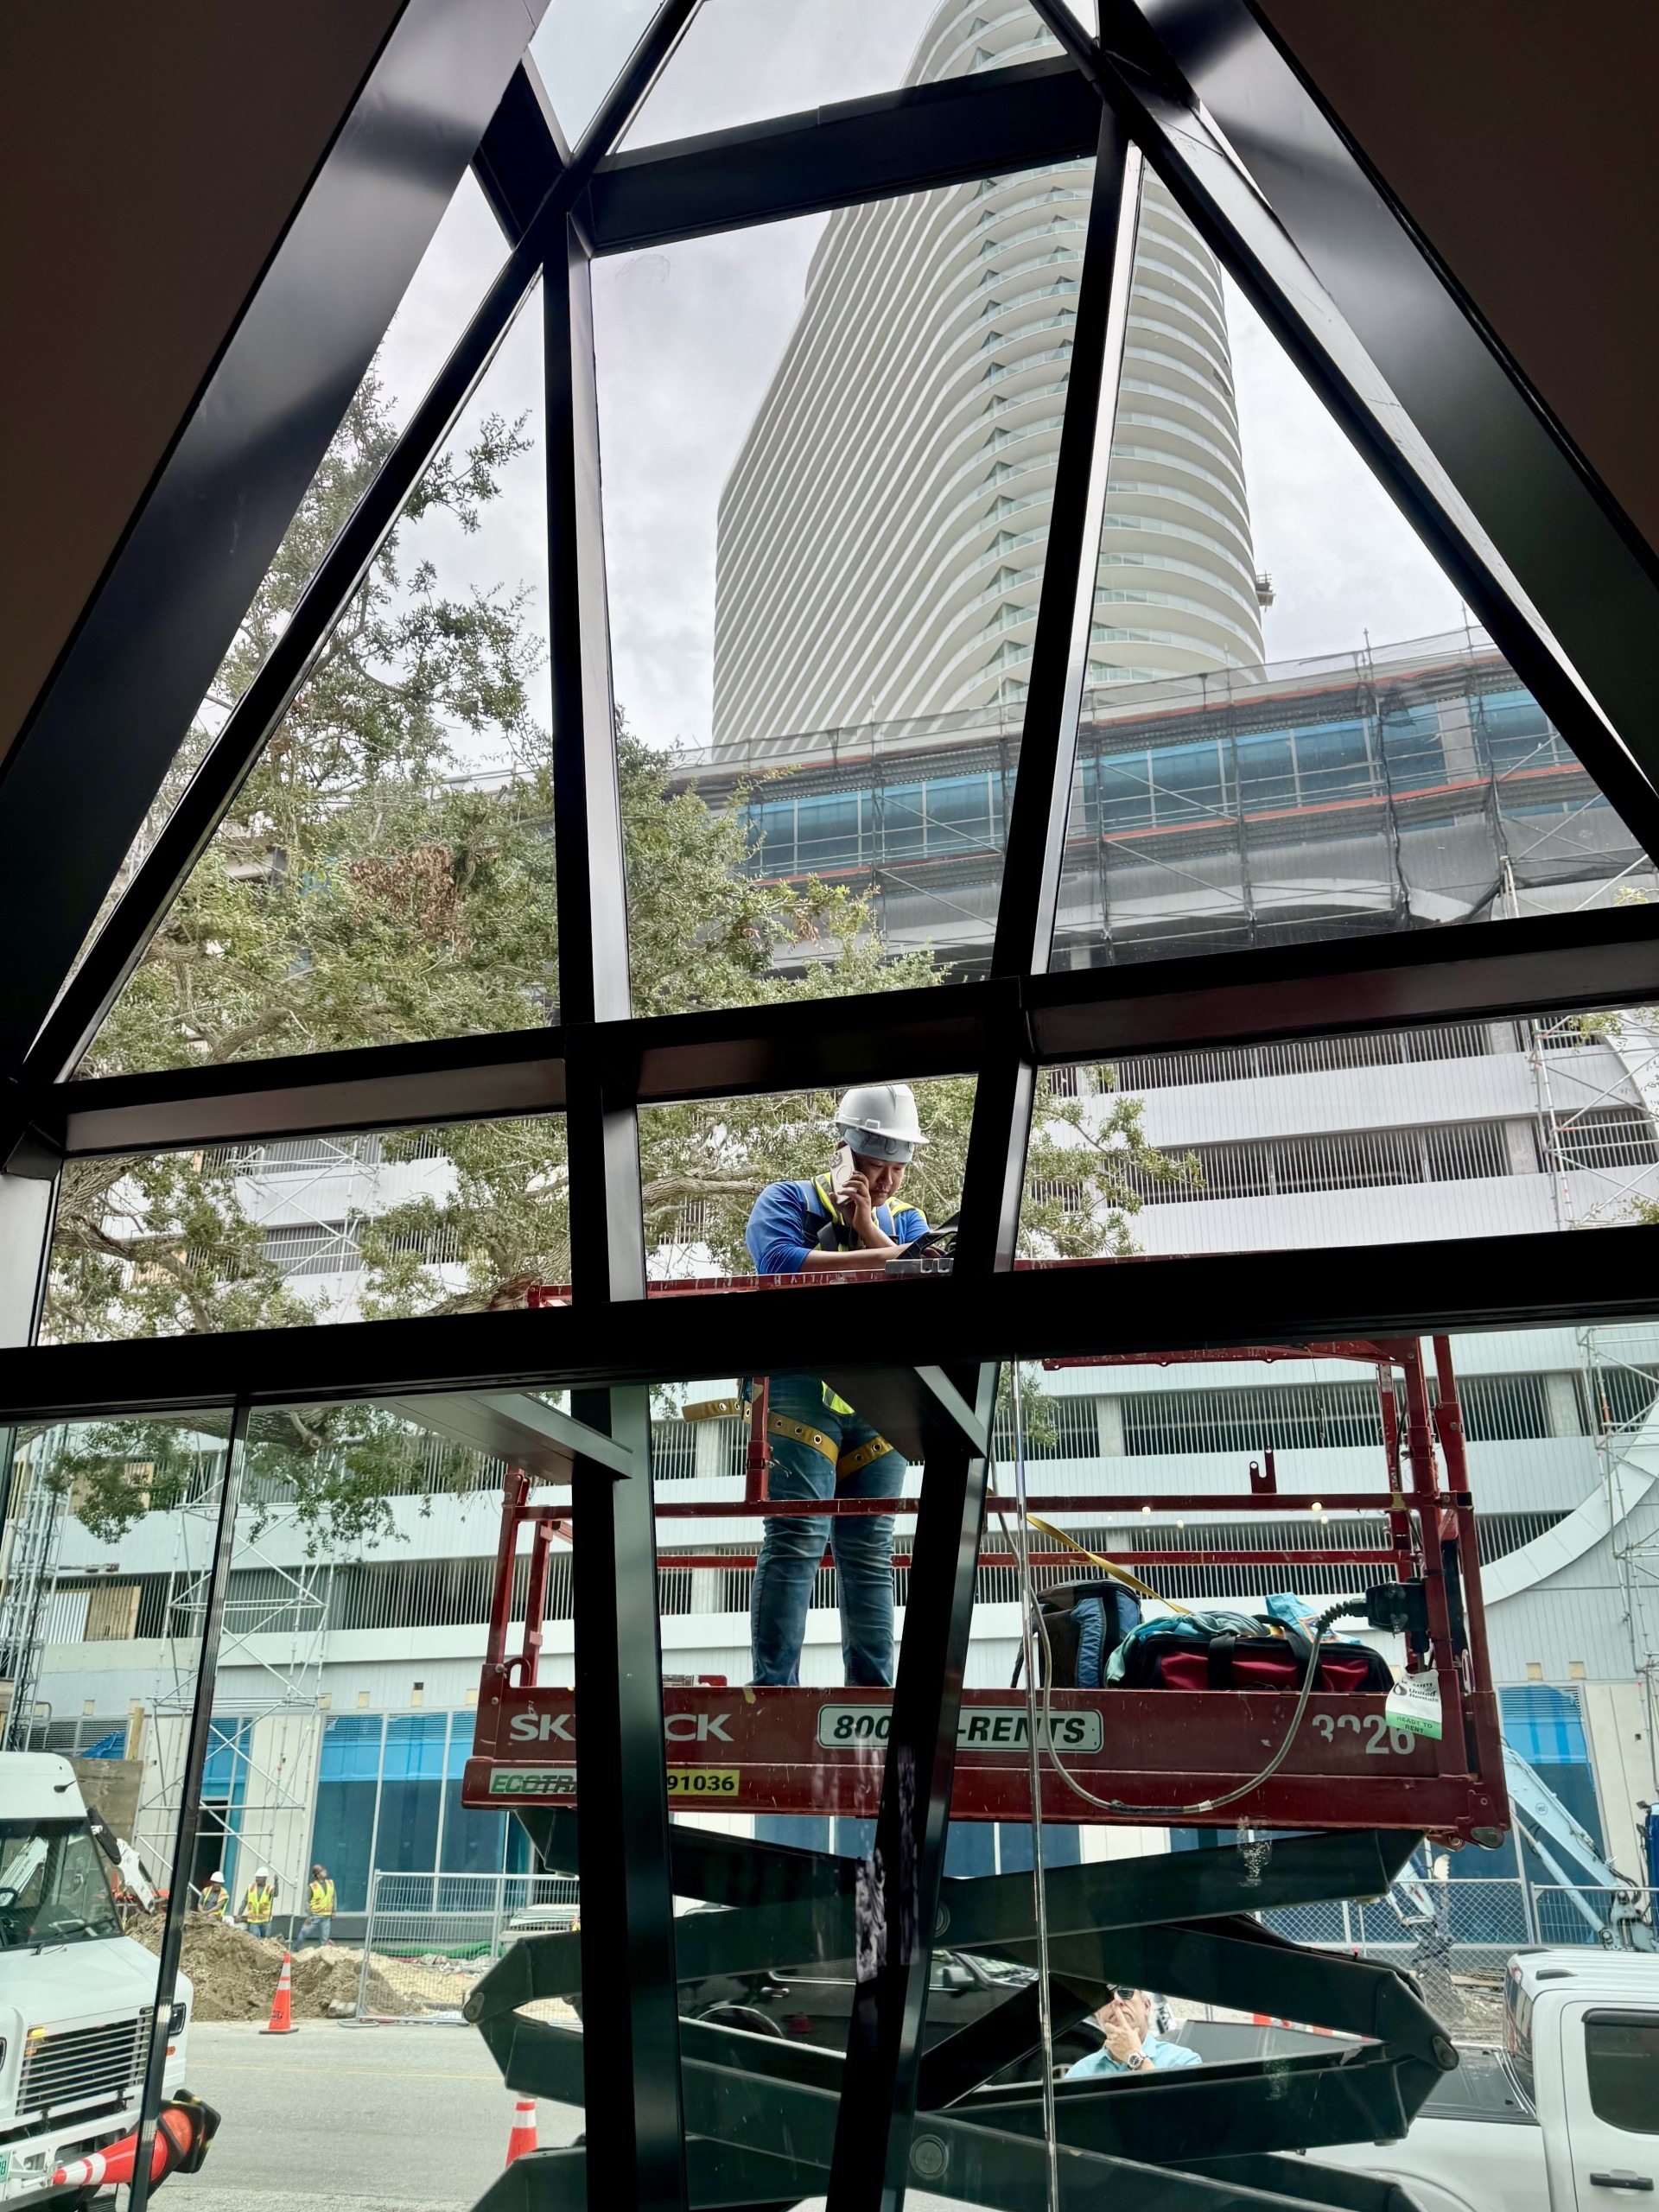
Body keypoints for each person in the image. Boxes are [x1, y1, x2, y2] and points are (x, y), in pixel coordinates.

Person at [745, 1084, 933, 1688]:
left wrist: (869, 1228)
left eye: (896, 1170)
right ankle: (775, 1689)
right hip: (802, 1384)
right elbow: (778, 1264)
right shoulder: (787, 1202)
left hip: (880, 1399)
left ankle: (875, 1694)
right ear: (845, 1153)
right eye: (873, 1167)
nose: (884, 1183)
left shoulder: (905, 1222)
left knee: (869, 1549)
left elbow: (923, 1281)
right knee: (798, 1534)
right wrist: (894, 1256)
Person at [1065, 1988, 1202, 2078]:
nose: (1116, 2002)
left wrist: (1135, 2057)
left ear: (1146, 2007)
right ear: (1097, 2014)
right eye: (1105, 1997)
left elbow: (1182, 2116)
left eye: (1125, 1992)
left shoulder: (1183, 2061)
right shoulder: (1078, 2073)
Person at [299, 1863, 335, 1948]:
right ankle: (296, 1948)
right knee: (304, 1931)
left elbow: (334, 1898)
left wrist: (333, 1911)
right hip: (314, 1916)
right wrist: (309, 1914)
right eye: (323, 1871)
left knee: (324, 1938)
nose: (325, 1871)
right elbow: (306, 1901)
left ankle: (322, 1953)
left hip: (326, 1916)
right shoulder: (312, 1886)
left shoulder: (330, 1883)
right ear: (318, 1875)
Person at [241, 1867, 276, 1939]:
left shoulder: (269, 1888)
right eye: (256, 1877)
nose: (257, 1879)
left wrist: (276, 1883)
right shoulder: (251, 1887)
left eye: (259, 1877)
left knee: (265, 1940)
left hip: (265, 1921)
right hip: (253, 1920)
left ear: (265, 1878)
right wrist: (239, 1914)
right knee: (255, 1937)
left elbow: (275, 1894)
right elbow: (245, 1901)